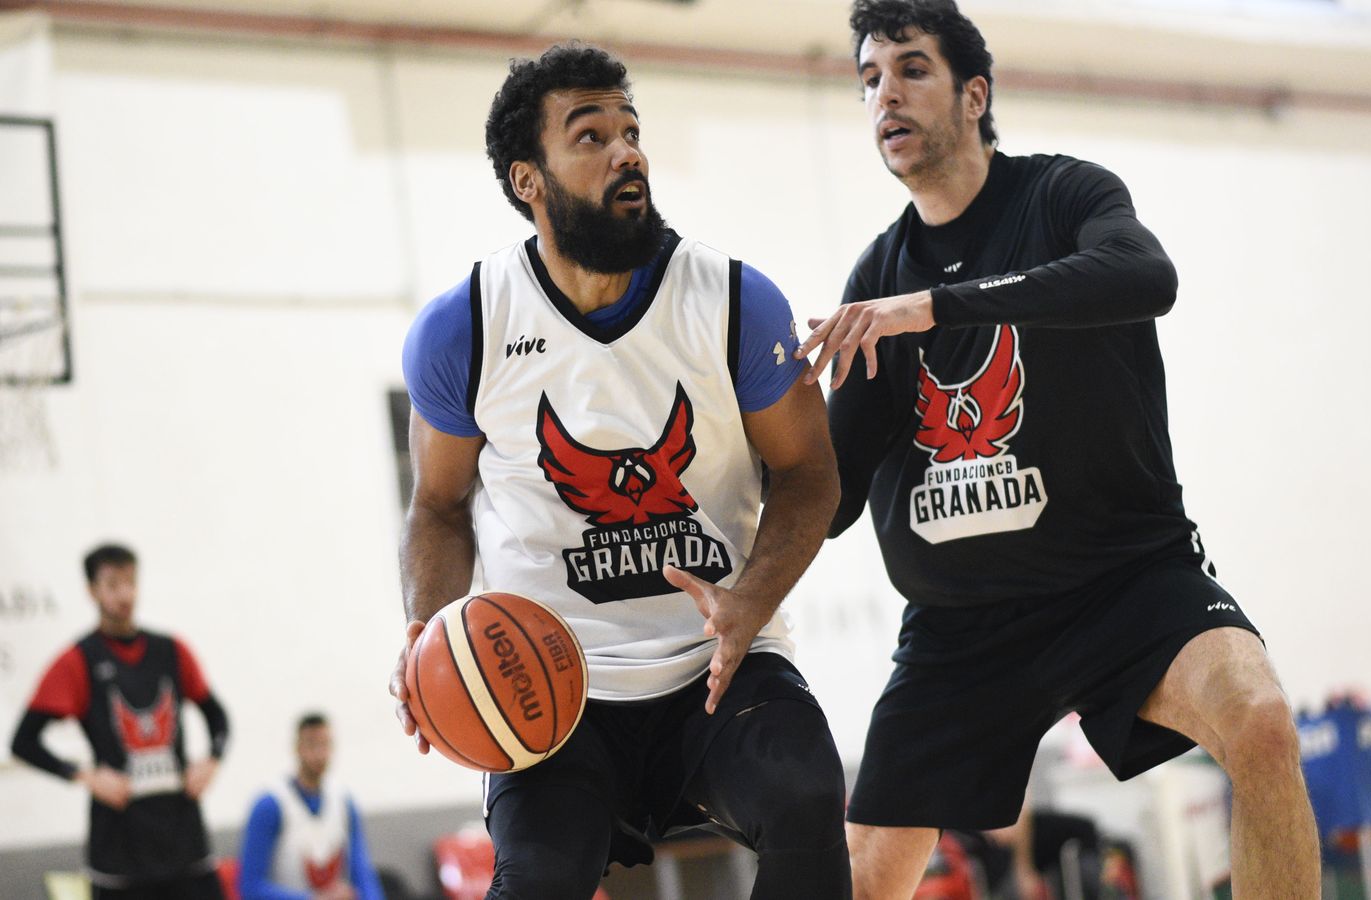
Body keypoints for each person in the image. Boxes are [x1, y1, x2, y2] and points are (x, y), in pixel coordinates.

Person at [796, 2, 1321, 897]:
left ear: (974, 95)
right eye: (869, 80)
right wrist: (757, 441)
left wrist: (938, 308)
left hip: (1123, 584)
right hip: (962, 625)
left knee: (1262, 719)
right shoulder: (877, 278)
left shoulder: (1065, 195)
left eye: (911, 69)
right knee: (864, 871)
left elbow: (1144, 277)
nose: (885, 94)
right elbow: (832, 497)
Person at [390, 42, 849, 900]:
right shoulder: (468, 327)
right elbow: (439, 507)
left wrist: (750, 599)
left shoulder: (733, 302)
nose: (626, 150)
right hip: (550, 681)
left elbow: (809, 472)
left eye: (630, 130)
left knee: (807, 795)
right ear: (530, 179)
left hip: (717, 662)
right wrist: (427, 634)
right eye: (590, 135)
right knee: (539, 876)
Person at [8, 543, 230, 899]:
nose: (124, 594)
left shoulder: (170, 650)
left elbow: (217, 716)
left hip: (183, 839)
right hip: (121, 849)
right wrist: (84, 775)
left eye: (130, 582)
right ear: (92, 590)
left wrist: (212, 760)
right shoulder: (78, 660)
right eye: (112, 584)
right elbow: (23, 741)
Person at [236, 713, 384, 900]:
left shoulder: (343, 802)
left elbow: (362, 874)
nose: (319, 754)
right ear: (297, 748)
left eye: (325, 745)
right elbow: (250, 887)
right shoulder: (270, 805)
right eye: (312, 745)